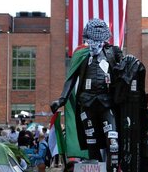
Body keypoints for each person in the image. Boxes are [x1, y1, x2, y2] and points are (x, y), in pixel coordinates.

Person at [50, 18, 123, 172]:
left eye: (98, 39)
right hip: (87, 104)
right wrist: (62, 99)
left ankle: (113, 169)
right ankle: (96, 168)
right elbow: (71, 78)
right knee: (92, 141)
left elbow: (123, 73)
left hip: (106, 102)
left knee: (113, 140)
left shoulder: (113, 53)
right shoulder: (81, 55)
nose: (95, 42)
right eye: (92, 39)